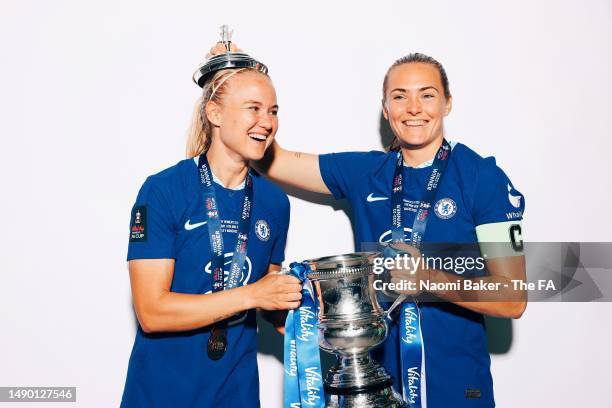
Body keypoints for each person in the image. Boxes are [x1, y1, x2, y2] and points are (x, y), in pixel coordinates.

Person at [239, 50, 527, 407]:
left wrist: (425, 280)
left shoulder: (483, 178)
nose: (414, 108)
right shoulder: (366, 174)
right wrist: (240, 75)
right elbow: (273, 160)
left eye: (427, 94)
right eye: (400, 96)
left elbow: (512, 297)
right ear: (385, 108)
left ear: (448, 103)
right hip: (374, 389)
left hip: (456, 387)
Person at [121, 50, 302, 408]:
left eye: (273, 110)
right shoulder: (163, 190)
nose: (266, 121)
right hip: (163, 391)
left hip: (237, 392)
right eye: (253, 108)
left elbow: (271, 307)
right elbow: (152, 311)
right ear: (215, 113)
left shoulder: (274, 203)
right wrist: (251, 295)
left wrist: (321, 313)